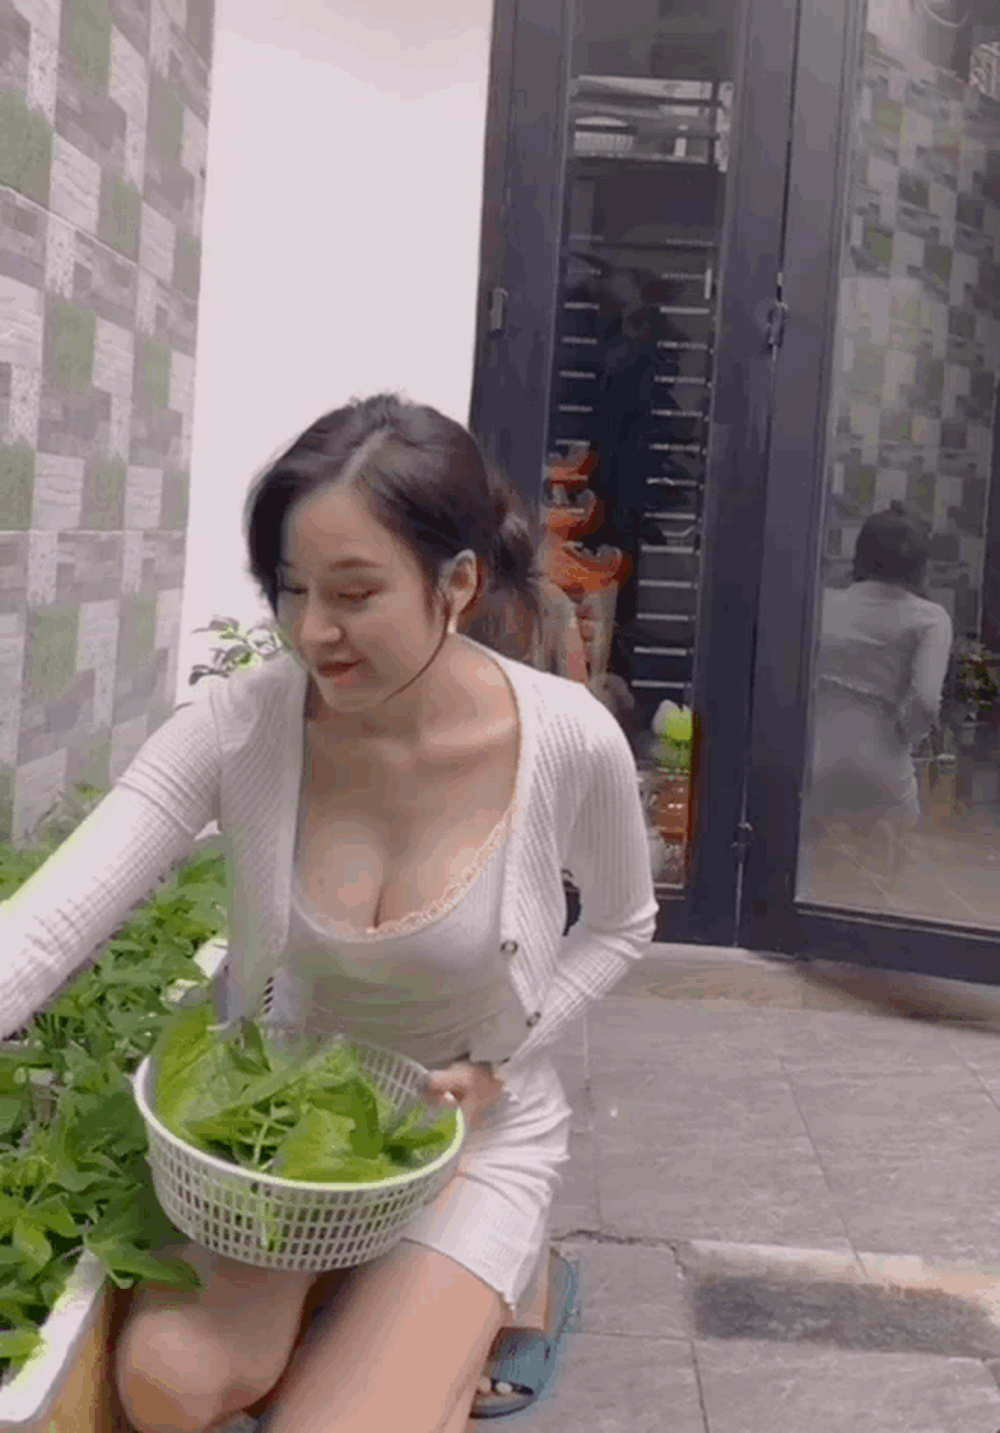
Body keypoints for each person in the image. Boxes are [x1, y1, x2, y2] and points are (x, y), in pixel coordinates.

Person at [3, 393, 658, 1433]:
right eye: (291, 588)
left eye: (354, 592)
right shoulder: (243, 724)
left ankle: (487, 1286)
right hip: (290, 1132)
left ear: (456, 584)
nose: (313, 630)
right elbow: (48, 920)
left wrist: (503, 1058)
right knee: (168, 1385)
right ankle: (366, 1313)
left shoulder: (566, 738)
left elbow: (623, 923)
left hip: (463, 1134)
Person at [803, 500, 953, 871]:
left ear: (862, 555)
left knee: (811, 874)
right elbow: (926, 702)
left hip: (812, 761)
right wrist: (902, 737)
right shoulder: (930, 619)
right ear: (920, 564)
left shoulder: (822, 603)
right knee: (887, 879)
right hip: (882, 770)